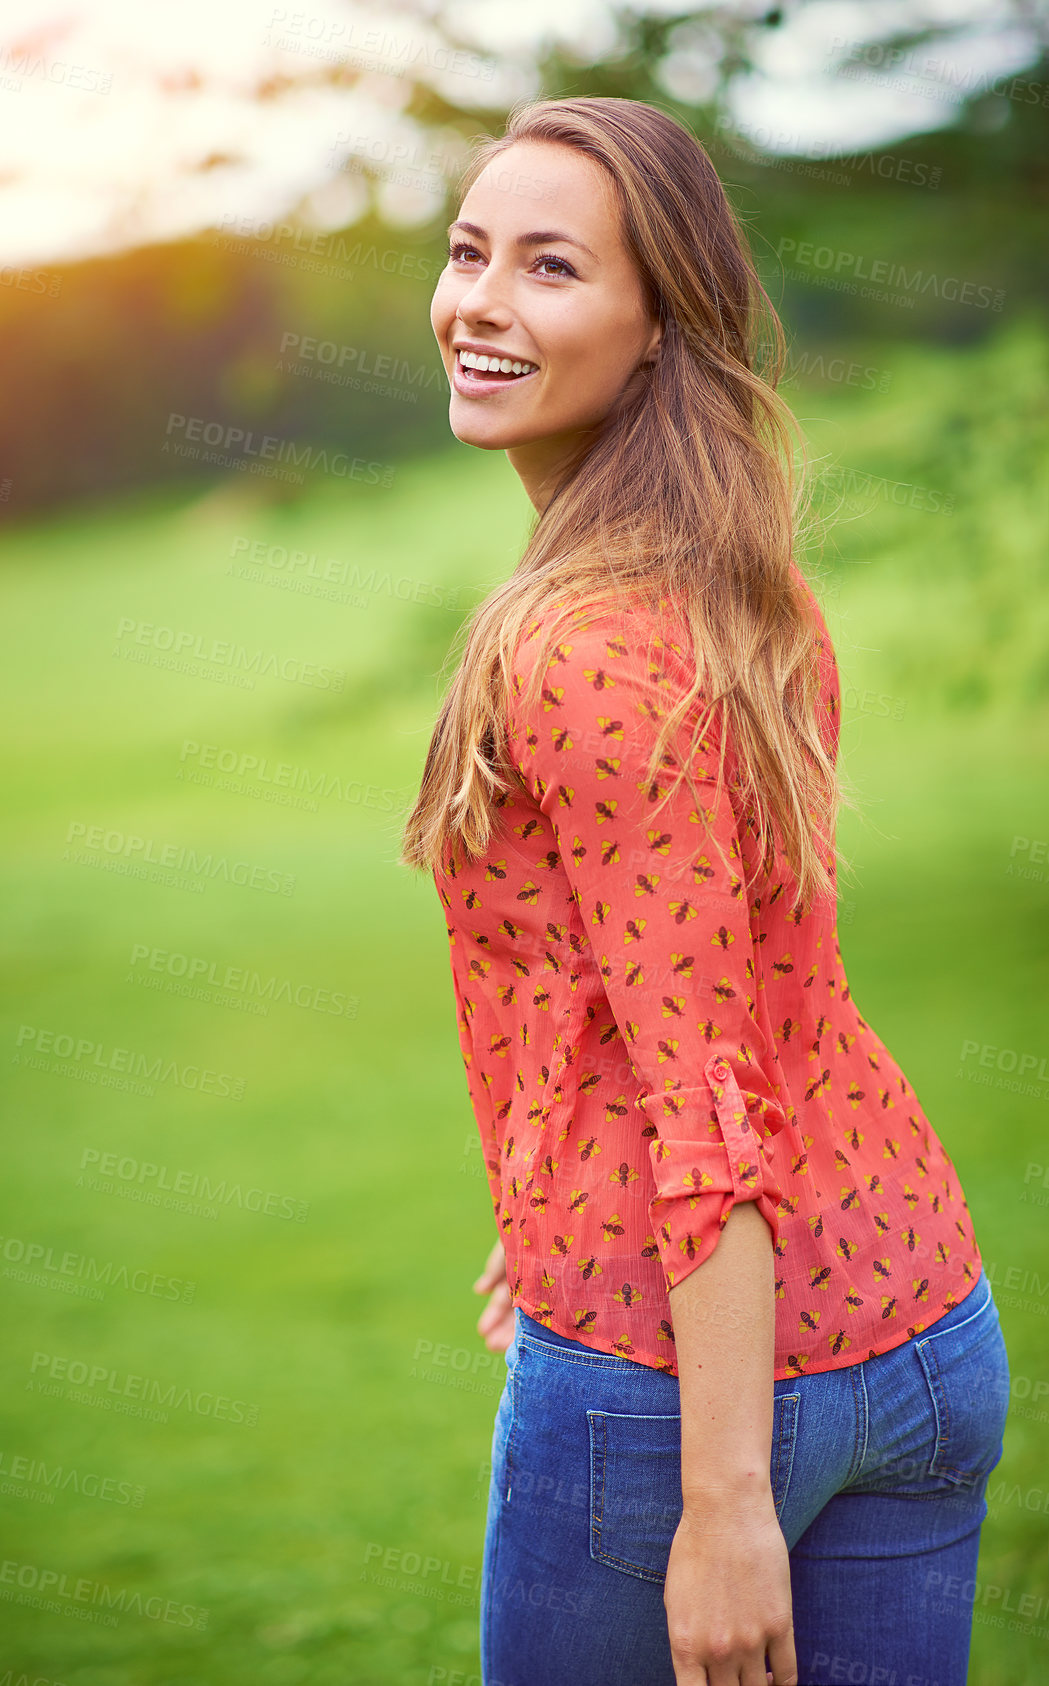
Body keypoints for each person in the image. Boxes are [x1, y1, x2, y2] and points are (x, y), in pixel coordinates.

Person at [398, 96, 1009, 1686]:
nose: (479, 304)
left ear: (657, 326)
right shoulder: (740, 580)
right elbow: (719, 974)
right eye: (470, 254)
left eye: (549, 268)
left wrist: (724, 1501)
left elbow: (704, 1091)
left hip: (670, 1394)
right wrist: (555, 1178)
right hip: (922, 1322)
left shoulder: (580, 642)